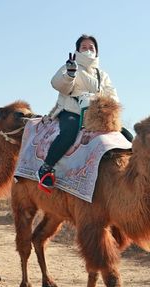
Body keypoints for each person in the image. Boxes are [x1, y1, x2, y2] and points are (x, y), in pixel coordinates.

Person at [37, 34, 129, 191]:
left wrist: (99, 100)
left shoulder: (102, 75)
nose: (88, 50)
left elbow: (112, 95)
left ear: (96, 51)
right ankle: (46, 168)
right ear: (77, 50)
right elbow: (59, 85)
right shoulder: (71, 66)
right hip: (72, 111)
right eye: (84, 47)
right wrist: (70, 75)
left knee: (126, 136)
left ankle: (130, 173)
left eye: (91, 47)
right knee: (69, 132)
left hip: (96, 115)